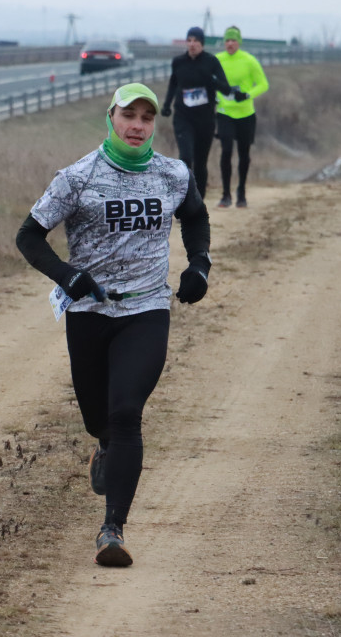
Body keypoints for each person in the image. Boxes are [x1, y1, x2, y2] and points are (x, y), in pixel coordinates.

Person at [15, 83, 212, 567]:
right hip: (88, 314)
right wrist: (68, 275)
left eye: (147, 117)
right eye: (129, 115)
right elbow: (29, 236)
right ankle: (102, 445)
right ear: (112, 117)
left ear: (153, 125)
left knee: (126, 412)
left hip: (146, 310)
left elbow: (196, 217)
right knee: (98, 418)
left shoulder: (173, 174)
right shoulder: (77, 177)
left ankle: (112, 530)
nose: (138, 125)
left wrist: (198, 265)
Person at [162, 26, 244, 199]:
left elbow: (225, 87)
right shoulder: (178, 62)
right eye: (189, 40)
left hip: (205, 120)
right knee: (185, 158)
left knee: (200, 163)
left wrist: (213, 81)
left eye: (196, 41)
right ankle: (184, 200)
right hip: (183, 117)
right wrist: (167, 105)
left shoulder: (211, 62)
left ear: (202, 44)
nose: (192, 44)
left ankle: (199, 202)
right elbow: (173, 84)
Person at [214, 26, 269, 209]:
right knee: (226, 151)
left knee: (244, 154)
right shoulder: (217, 60)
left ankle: (241, 192)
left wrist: (247, 94)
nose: (230, 43)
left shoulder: (249, 60)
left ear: (239, 42)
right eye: (227, 40)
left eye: (233, 40)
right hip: (224, 113)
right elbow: (209, 80)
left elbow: (263, 84)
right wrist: (214, 95)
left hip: (246, 114)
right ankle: (225, 195)